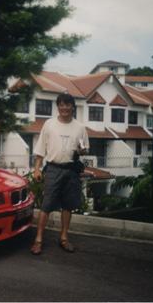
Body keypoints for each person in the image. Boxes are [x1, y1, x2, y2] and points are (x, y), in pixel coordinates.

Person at [30, 92, 89, 255]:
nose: (64, 108)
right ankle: (38, 240)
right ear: (58, 107)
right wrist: (36, 169)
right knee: (46, 205)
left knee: (68, 206)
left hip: (71, 170)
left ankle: (63, 238)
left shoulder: (80, 127)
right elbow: (40, 149)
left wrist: (82, 150)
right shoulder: (49, 124)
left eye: (67, 104)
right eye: (61, 104)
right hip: (53, 169)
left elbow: (84, 149)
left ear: (72, 107)